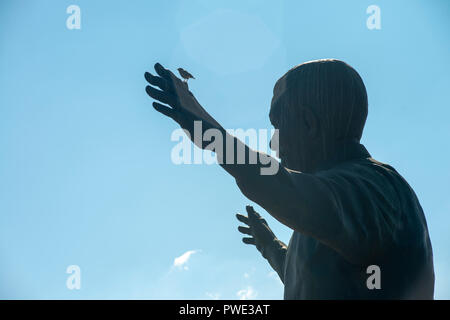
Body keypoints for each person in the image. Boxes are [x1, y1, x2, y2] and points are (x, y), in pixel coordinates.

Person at [144, 59, 434, 299]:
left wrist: (207, 130)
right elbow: (306, 279)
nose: (273, 143)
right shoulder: (339, 205)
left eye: (278, 125)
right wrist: (269, 244)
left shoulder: (376, 188)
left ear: (309, 123)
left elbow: (277, 183)